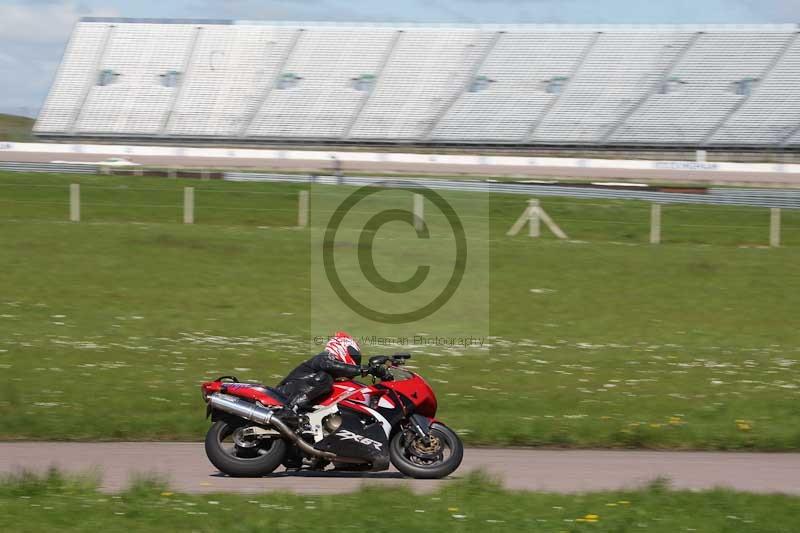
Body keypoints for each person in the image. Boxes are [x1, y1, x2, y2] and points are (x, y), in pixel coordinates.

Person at [275, 332, 369, 412]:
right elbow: (329, 365)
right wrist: (361, 369)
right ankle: (289, 409)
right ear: (342, 347)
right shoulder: (324, 357)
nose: (356, 360)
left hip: (294, 394)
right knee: (325, 378)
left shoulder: (333, 374)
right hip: (283, 394)